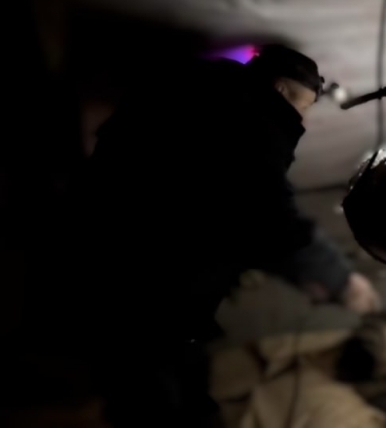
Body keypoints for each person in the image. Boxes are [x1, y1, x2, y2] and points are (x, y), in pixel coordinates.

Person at [58, 44, 353, 426]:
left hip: (113, 254)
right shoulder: (253, 118)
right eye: (303, 106)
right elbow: (268, 213)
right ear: (280, 89)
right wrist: (338, 278)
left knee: (176, 383)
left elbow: (216, 204)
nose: (304, 121)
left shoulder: (201, 88)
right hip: (147, 285)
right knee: (152, 398)